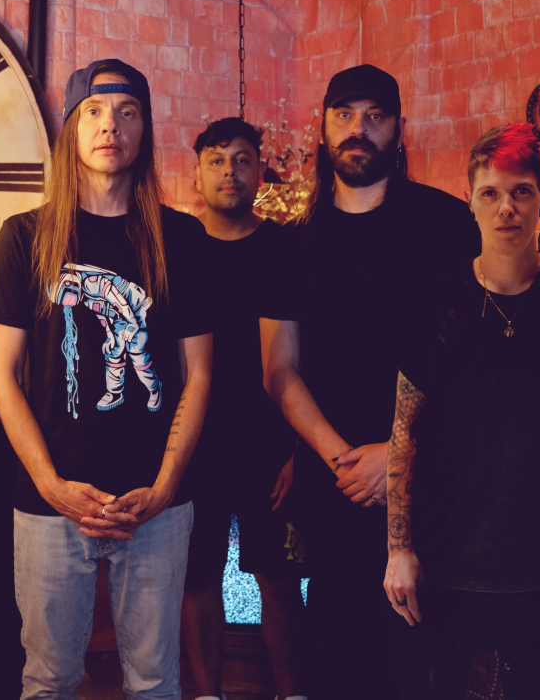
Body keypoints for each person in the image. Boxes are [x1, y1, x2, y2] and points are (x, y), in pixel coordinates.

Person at [0, 59, 212, 700]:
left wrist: (166, 486)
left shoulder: (181, 238)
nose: (111, 125)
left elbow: (198, 374)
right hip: (52, 507)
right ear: (72, 130)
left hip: (156, 505)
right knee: (48, 680)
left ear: (145, 130)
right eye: (94, 111)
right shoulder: (25, 237)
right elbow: (4, 376)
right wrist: (51, 486)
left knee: (155, 681)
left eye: (127, 112)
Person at [259, 64, 479, 699]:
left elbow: (473, 361)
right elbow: (279, 369)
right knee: (337, 648)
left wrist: (400, 455)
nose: (359, 129)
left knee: (424, 656)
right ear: (324, 128)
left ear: (399, 129)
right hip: (335, 483)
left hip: (432, 480)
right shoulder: (290, 241)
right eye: (345, 115)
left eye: (375, 116)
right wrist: (342, 459)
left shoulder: (448, 224)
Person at [383, 123, 540, 699]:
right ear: (470, 200)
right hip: (445, 558)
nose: (506, 207)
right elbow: (405, 434)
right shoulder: (435, 300)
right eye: (490, 193)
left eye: (520, 192)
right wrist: (398, 549)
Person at [179, 117, 306, 700]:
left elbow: (304, 361)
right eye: (217, 160)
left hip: (269, 447)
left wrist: (298, 451)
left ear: (260, 172)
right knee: (198, 577)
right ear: (197, 172)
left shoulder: (285, 247)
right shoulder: (178, 247)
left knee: (277, 578)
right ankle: (209, 694)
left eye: (242, 160)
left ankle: (291, 693)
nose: (229, 171)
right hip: (197, 445)